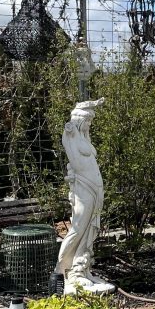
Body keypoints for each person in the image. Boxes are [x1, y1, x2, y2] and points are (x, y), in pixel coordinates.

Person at [55, 98, 113, 293]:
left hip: (93, 188)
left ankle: (82, 268)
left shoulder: (83, 138)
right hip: (83, 188)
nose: (89, 125)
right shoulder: (71, 133)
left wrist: (93, 105)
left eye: (90, 121)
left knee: (89, 229)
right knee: (79, 227)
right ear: (79, 120)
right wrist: (82, 111)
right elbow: (69, 131)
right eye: (87, 121)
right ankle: (63, 269)